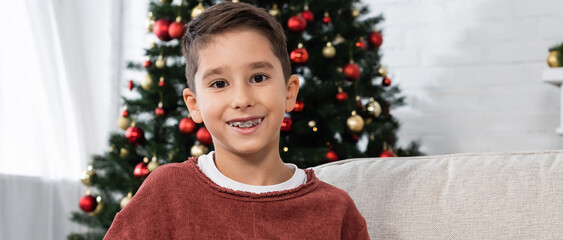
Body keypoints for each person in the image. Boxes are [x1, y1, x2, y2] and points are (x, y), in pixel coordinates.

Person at [105, 2, 368, 239]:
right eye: (219, 83)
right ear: (194, 105)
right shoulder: (167, 192)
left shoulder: (335, 210)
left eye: (258, 77)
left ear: (289, 93)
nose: (241, 99)